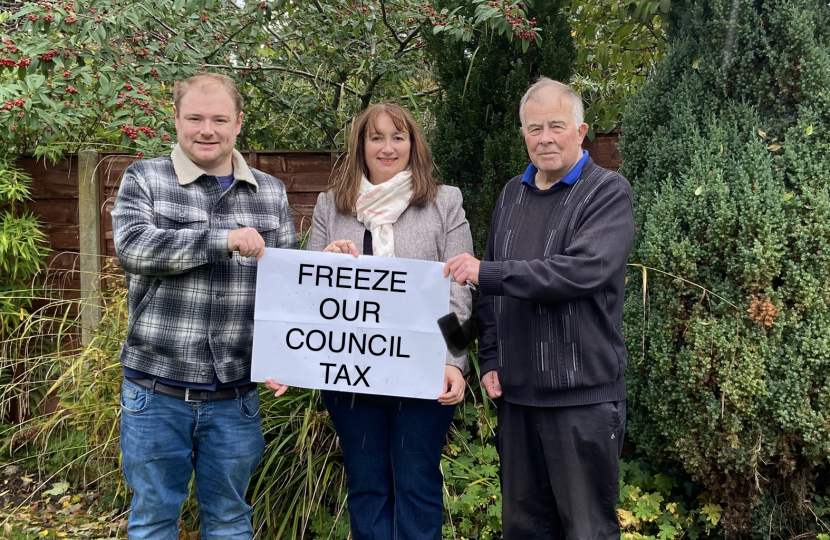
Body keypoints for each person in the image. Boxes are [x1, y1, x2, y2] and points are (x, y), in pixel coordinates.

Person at [267, 102, 473, 540]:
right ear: (361, 145)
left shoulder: (444, 203)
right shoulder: (330, 206)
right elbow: (307, 293)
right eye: (376, 137)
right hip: (351, 380)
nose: (387, 147)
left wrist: (454, 358)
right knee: (366, 489)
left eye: (398, 137)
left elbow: (459, 292)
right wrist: (325, 263)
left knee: (418, 487)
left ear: (413, 144)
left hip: (423, 376)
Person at [444, 77, 635, 540]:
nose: (545, 137)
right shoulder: (512, 193)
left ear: (581, 130)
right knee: (524, 530)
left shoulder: (608, 192)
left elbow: (577, 273)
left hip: (582, 399)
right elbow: (488, 297)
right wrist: (489, 357)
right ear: (524, 134)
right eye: (534, 128)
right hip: (517, 398)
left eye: (556, 126)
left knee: (587, 530)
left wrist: (487, 271)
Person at [111, 73, 297, 540]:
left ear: (238, 123)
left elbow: (284, 284)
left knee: (231, 520)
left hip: (236, 396)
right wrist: (223, 240)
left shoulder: (269, 192)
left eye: (219, 119)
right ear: (176, 119)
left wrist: (282, 353)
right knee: (153, 519)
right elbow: (133, 247)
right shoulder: (145, 177)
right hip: (156, 390)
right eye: (194, 118)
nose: (206, 130)